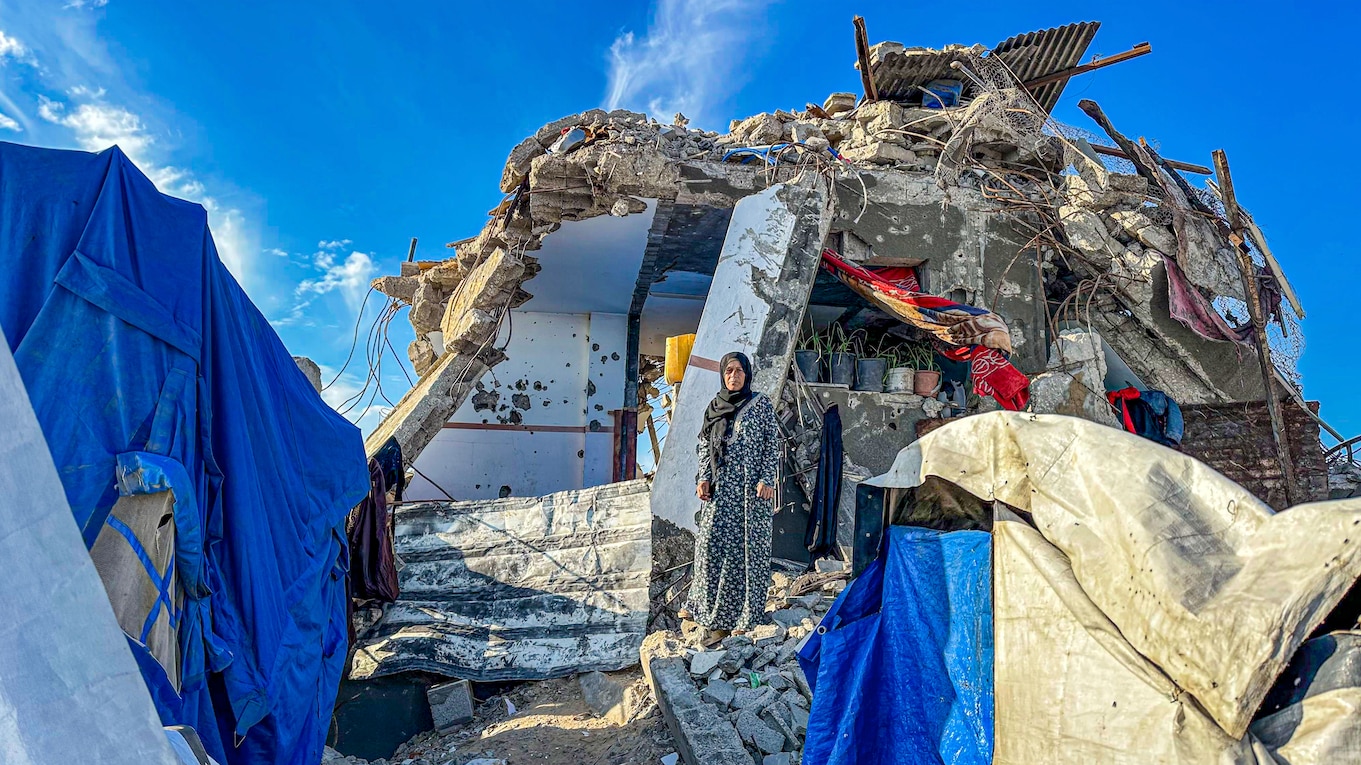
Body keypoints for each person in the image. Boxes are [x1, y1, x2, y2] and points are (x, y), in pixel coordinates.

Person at [679, 351, 779, 642]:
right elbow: (704, 446)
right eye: (728, 371)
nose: (733, 376)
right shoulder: (714, 406)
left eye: (739, 371)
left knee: (746, 553)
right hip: (721, 490)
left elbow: (771, 444)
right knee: (710, 546)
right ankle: (706, 609)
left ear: (747, 374)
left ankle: (746, 617)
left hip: (751, 491)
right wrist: (703, 478)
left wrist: (766, 478)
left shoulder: (760, 404)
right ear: (723, 375)